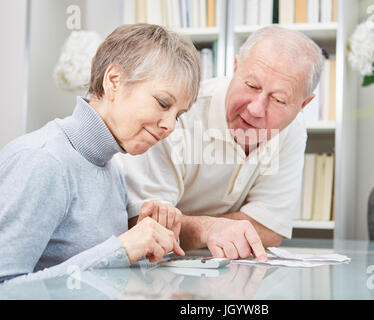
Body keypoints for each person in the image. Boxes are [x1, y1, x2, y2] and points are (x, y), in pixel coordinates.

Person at [0, 23, 201, 284]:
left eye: (178, 115)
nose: (170, 126)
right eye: (163, 103)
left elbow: (95, 275)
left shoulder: (111, 166)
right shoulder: (43, 161)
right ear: (114, 82)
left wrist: (146, 245)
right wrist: (122, 249)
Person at [115, 25, 324, 262]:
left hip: (223, 271)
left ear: (303, 105)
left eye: (278, 100)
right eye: (251, 86)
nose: (256, 109)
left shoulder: (292, 129)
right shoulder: (177, 115)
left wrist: (189, 224)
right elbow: (145, 226)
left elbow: (270, 229)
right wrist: (207, 229)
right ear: (235, 68)